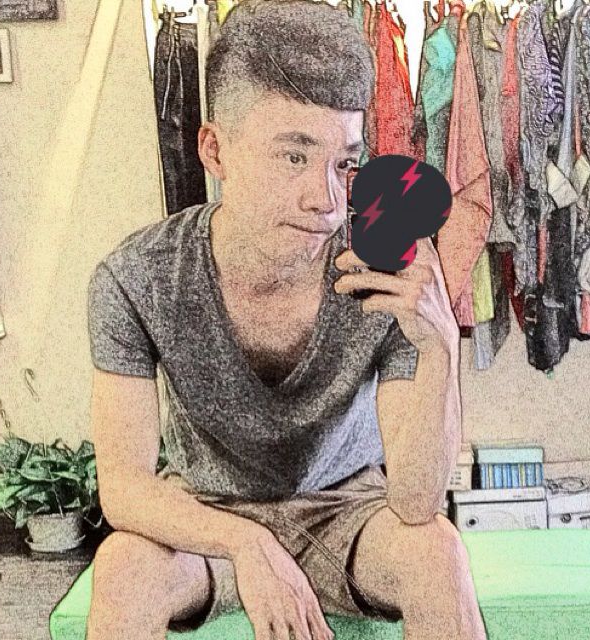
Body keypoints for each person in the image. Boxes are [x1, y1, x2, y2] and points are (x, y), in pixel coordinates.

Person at [85, 1, 488, 639]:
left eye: (344, 163)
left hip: (348, 512)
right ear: (215, 150)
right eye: (293, 157)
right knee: (123, 568)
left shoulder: (386, 265)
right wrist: (245, 543)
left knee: (438, 552)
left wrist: (441, 350)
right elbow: (125, 489)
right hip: (208, 517)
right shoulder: (138, 277)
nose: (325, 200)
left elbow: (416, 504)